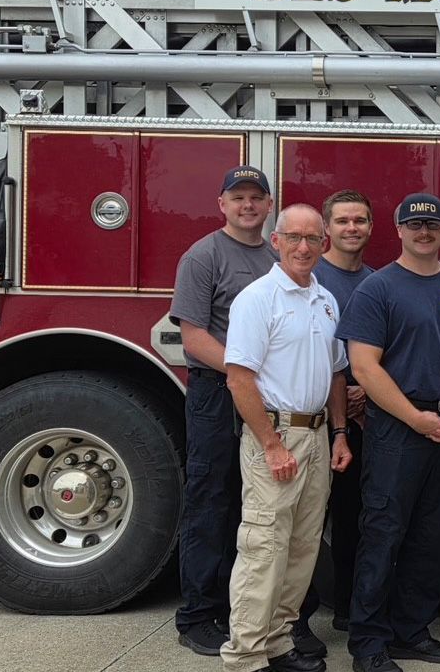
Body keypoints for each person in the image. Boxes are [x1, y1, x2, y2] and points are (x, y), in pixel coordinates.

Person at [337, 194, 440, 672]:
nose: (425, 232)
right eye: (415, 224)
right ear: (398, 229)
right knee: (383, 534)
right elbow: (364, 365)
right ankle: (368, 643)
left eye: (433, 224)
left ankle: (411, 631)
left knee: (433, 536)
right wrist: (414, 418)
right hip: (397, 431)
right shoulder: (377, 289)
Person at [220, 203, 353, 672]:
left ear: (325, 244)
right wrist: (271, 445)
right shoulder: (258, 299)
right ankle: (245, 657)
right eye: (293, 238)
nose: (303, 247)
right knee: (264, 548)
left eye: (312, 239)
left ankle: (277, 644)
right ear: (275, 242)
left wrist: (339, 433)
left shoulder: (325, 299)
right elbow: (239, 379)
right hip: (274, 436)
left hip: (317, 437)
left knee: (302, 548)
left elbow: (336, 375)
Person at [171, 165, 281, 656]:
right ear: (222, 204)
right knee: (210, 501)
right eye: (238, 198)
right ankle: (197, 615)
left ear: (268, 203)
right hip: (218, 394)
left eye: (256, 197)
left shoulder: (276, 257)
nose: (248, 205)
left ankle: (242, 608)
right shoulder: (203, 256)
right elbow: (192, 336)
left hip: (259, 395)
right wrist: (247, 374)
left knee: (252, 503)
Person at [314, 190, 376, 632]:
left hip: (365, 416)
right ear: (326, 229)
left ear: (371, 227)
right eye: (343, 221)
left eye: (360, 220)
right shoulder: (309, 278)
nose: (352, 228)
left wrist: (365, 393)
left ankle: (347, 607)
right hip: (316, 419)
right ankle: (294, 616)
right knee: (309, 519)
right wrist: (338, 396)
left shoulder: (376, 280)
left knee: (355, 513)